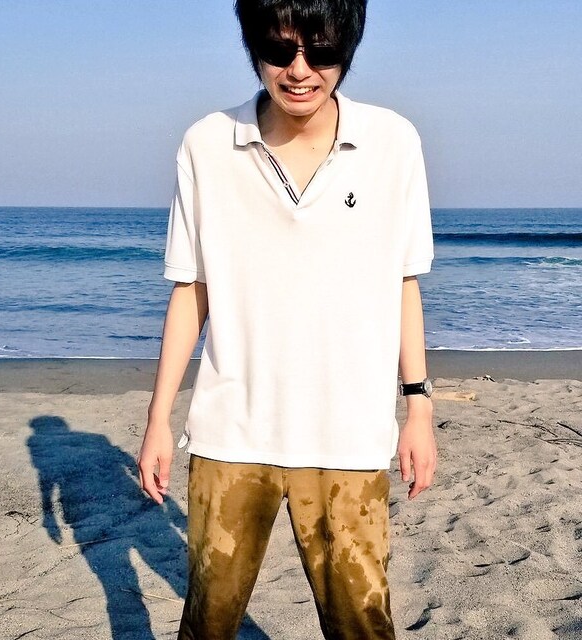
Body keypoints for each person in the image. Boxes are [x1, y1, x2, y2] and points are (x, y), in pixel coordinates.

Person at [138, 0, 437, 637]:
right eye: (280, 50)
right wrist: (158, 419)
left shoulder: (393, 142)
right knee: (208, 621)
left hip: (349, 437)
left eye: (320, 51)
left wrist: (418, 408)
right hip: (230, 435)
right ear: (253, 47)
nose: (299, 70)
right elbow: (192, 290)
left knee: (362, 624)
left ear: (347, 48)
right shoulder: (207, 143)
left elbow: (403, 282)